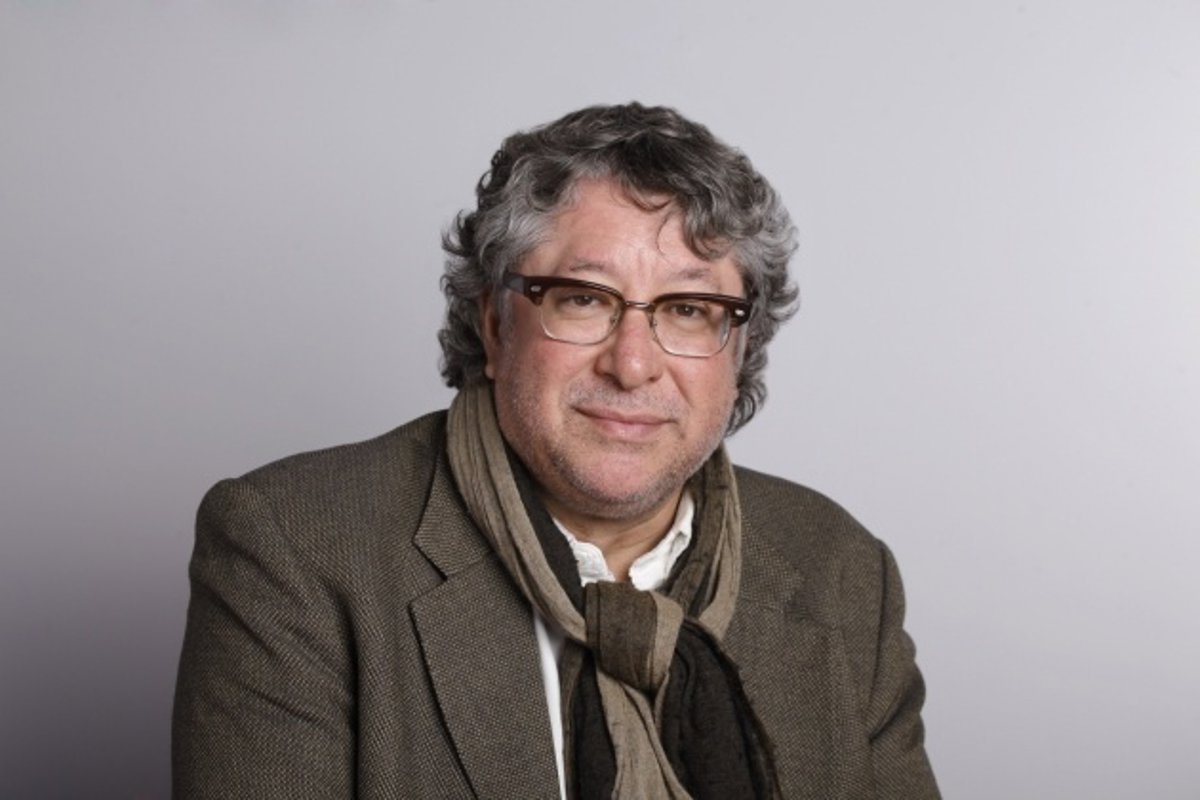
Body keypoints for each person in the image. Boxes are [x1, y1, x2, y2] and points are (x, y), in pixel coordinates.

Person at [172, 102, 940, 799]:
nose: (632, 365)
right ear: (494, 326)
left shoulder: (840, 569)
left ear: (740, 347)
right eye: (582, 299)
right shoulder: (295, 547)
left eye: (689, 309)